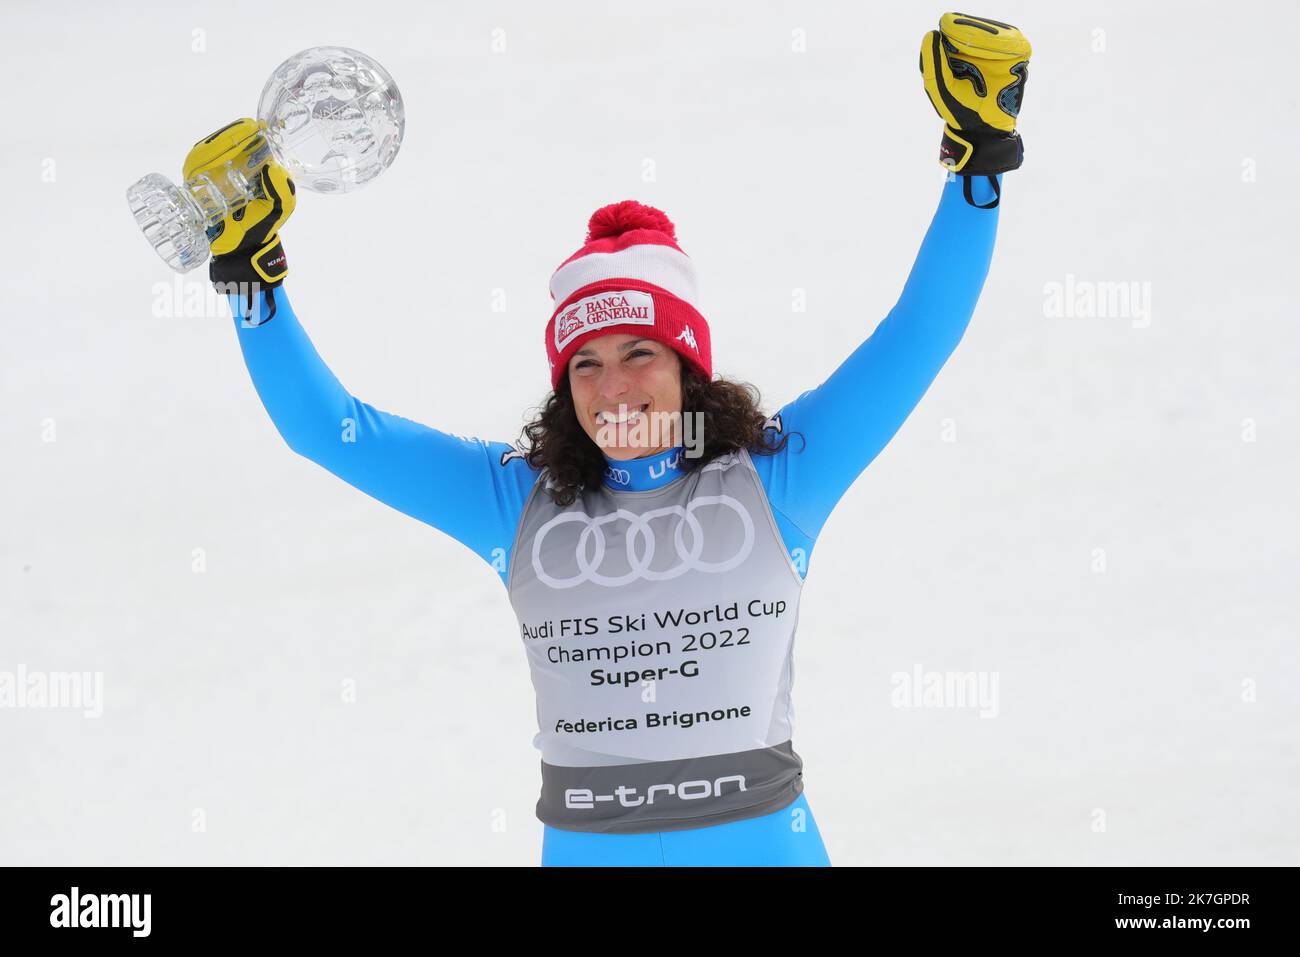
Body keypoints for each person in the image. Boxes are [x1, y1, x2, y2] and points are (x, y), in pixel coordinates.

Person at [187, 13, 1031, 866]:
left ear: (687, 366)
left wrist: (979, 157)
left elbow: (921, 330)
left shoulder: (776, 478)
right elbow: (330, 432)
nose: (613, 386)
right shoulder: (517, 502)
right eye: (583, 364)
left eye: (639, 353)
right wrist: (250, 277)